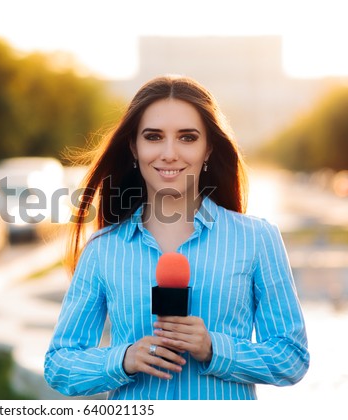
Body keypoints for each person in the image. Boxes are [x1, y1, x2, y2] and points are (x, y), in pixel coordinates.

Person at [44, 75, 309, 399]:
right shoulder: (103, 250)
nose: (169, 153)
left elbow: (292, 357)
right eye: (153, 137)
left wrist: (214, 349)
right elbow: (59, 365)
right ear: (134, 147)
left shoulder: (257, 240)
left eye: (187, 137)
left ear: (208, 147)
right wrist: (123, 359)